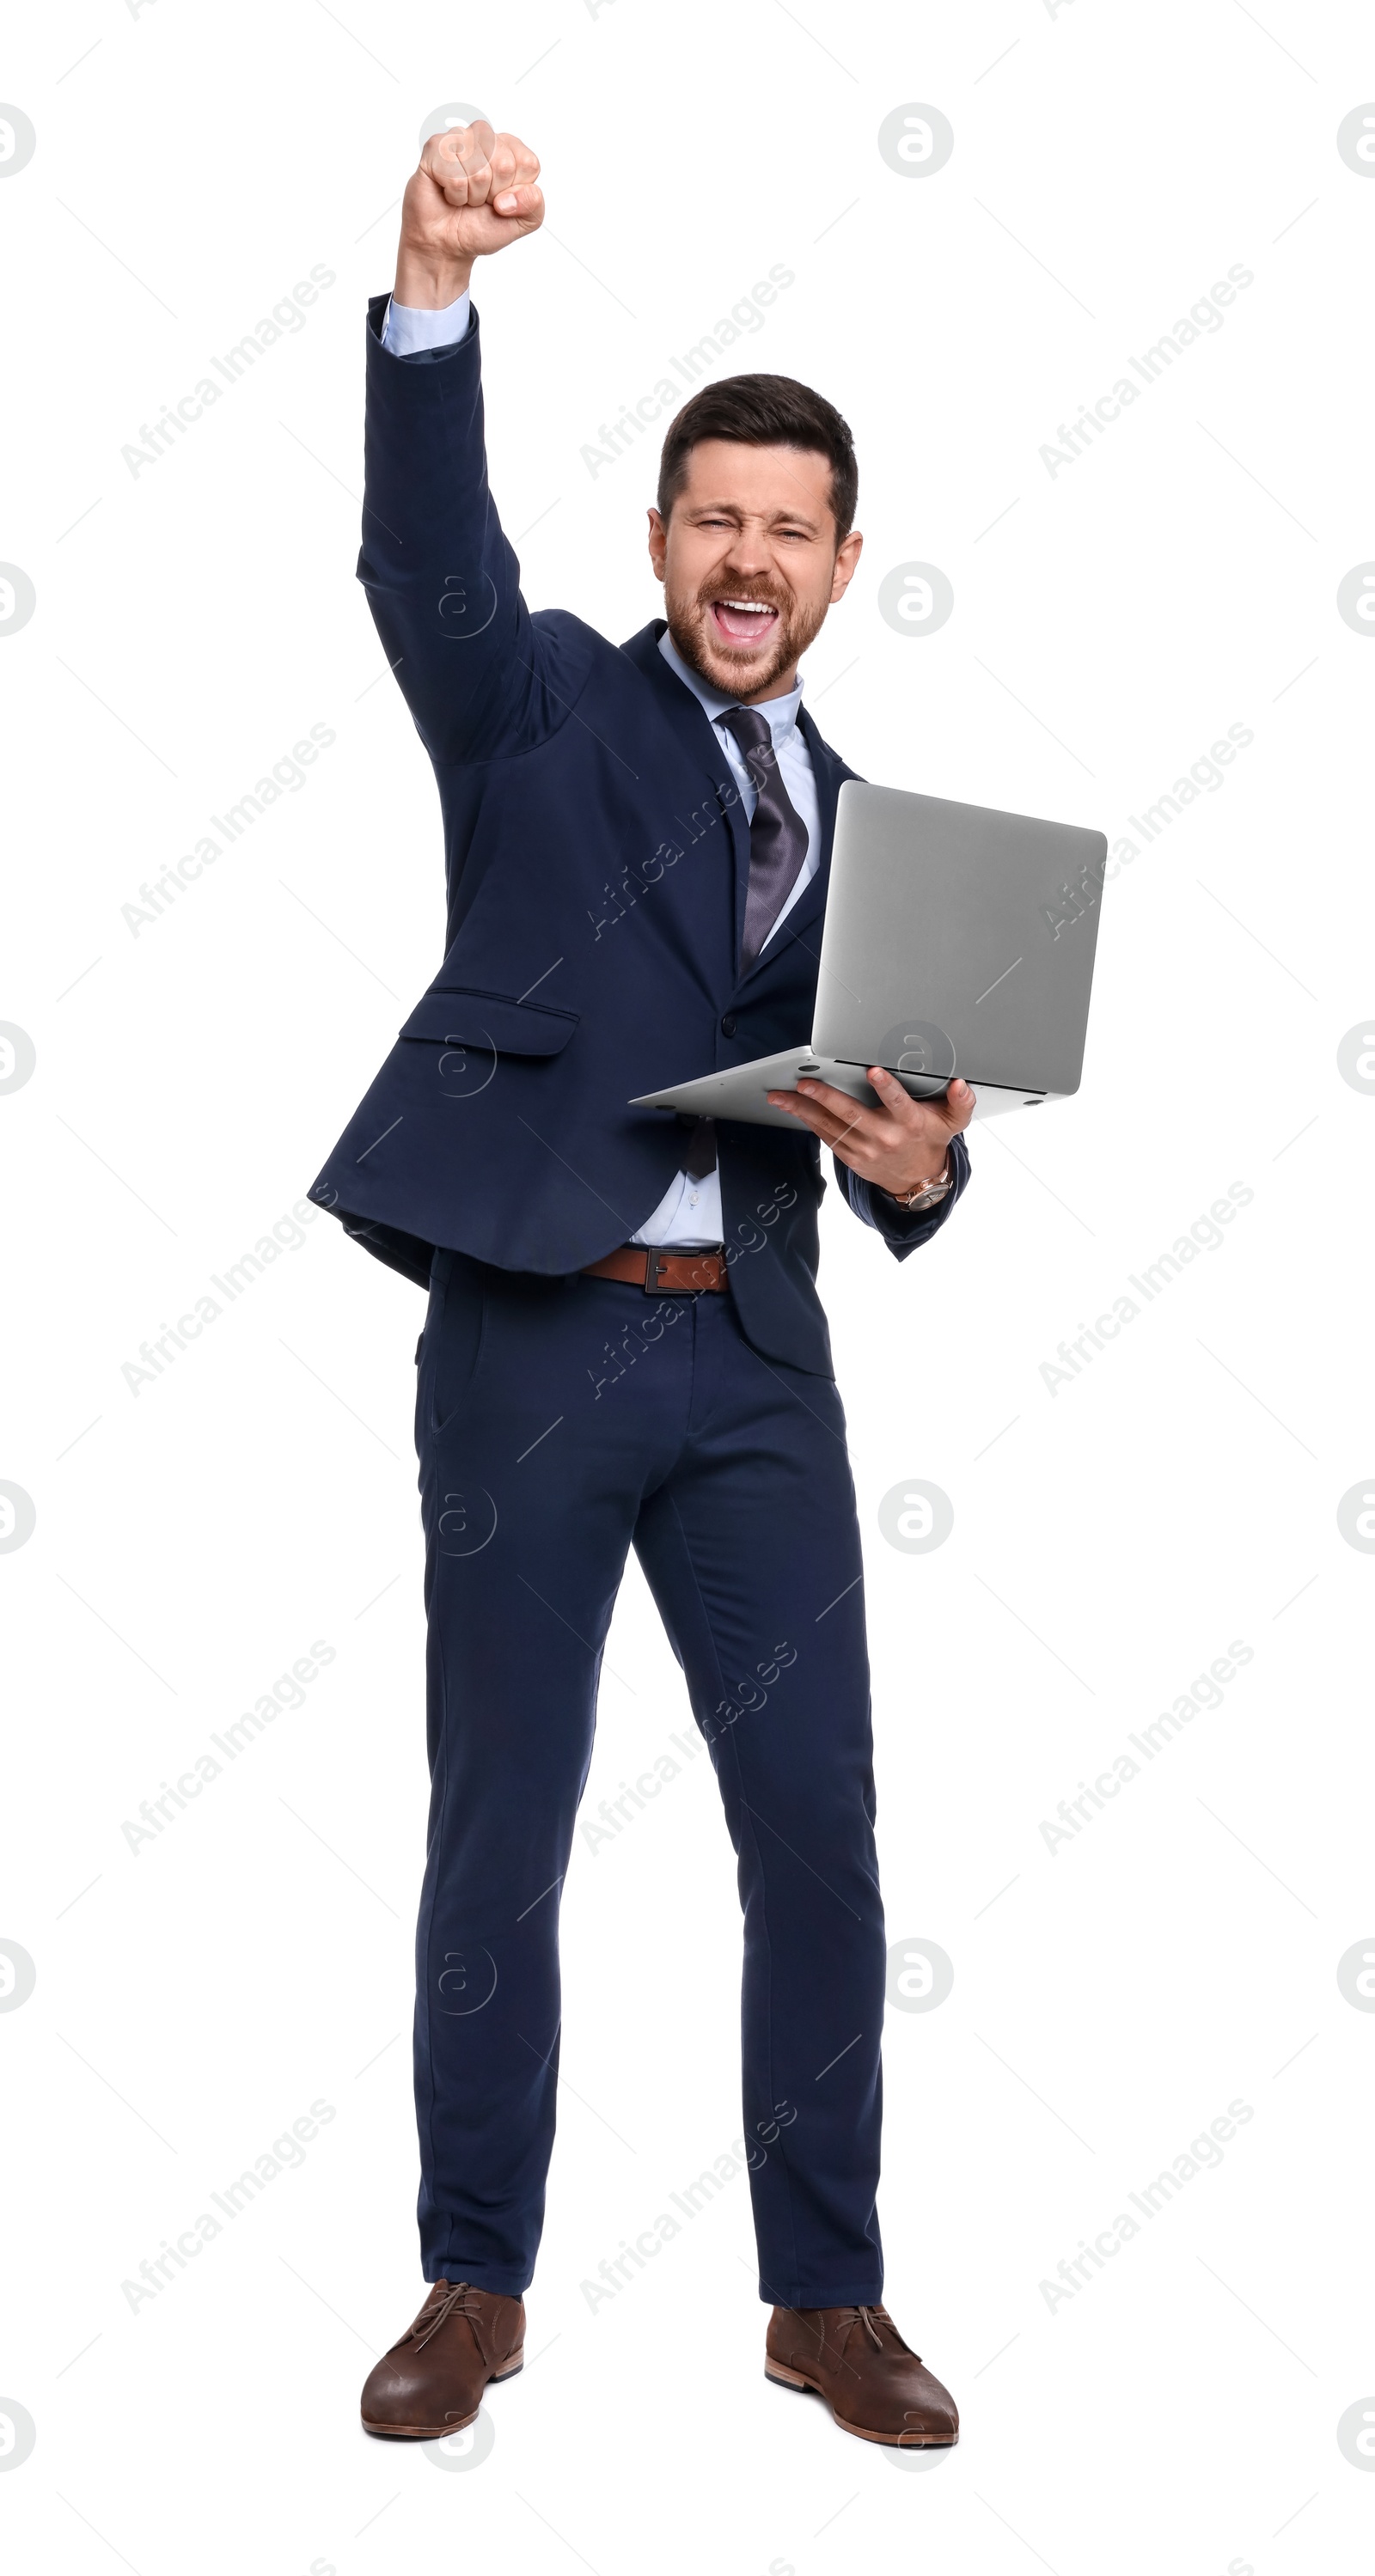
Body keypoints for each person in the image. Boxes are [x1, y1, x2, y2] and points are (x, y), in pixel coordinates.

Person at [309, 119, 974, 2451]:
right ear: (666, 544)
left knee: (819, 1833)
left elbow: (897, 1138)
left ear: (842, 563)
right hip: (531, 1345)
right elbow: (426, 559)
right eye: (718, 518)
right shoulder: (545, 714)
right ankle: (471, 2279)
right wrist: (426, 290)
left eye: (793, 528)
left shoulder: (888, 839)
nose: (752, 556)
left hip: (758, 1382)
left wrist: (923, 1167)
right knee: (501, 1823)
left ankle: (826, 2298)